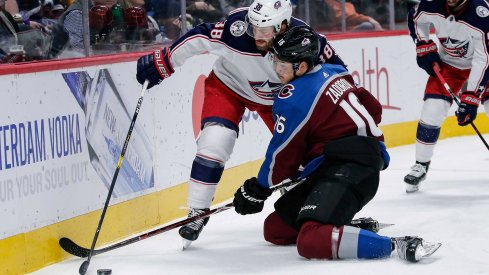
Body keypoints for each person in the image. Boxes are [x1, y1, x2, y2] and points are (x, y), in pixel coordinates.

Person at [135, 0, 346, 249]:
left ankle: (311, 204)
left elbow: (338, 71)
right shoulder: (235, 29)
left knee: (298, 155)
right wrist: (166, 61)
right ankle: (196, 212)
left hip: (279, 98)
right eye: (254, 27)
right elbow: (201, 35)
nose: (257, 35)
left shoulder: (305, 39)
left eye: (265, 30)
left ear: (284, 25)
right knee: (214, 142)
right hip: (229, 87)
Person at [232, 25, 441, 262]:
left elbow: (283, 153)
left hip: (353, 167)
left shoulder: (294, 96)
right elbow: (372, 107)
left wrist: (259, 188)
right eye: (275, 61)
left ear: (301, 67)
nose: (276, 70)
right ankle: (346, 226)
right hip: (339, 162)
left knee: (310, 241)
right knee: (276, 230)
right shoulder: (334, 70)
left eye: (281, 65)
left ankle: (396, 245)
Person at [404, 0, 489, 192]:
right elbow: (415, 18)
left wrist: (471, 97)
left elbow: (483, 59)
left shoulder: (481, 15)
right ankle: (421, 164)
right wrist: (424, 45)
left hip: (484, 65)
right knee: (431, 110)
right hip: (450, 66)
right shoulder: (431, 5)